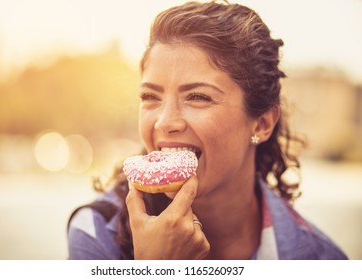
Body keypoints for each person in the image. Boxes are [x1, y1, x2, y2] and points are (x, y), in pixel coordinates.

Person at [67, 0, 348, 260]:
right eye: (150, 97)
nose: (165, 122)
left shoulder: (322, 259)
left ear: (262, 123)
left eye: (198, 97)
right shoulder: (96, 236)